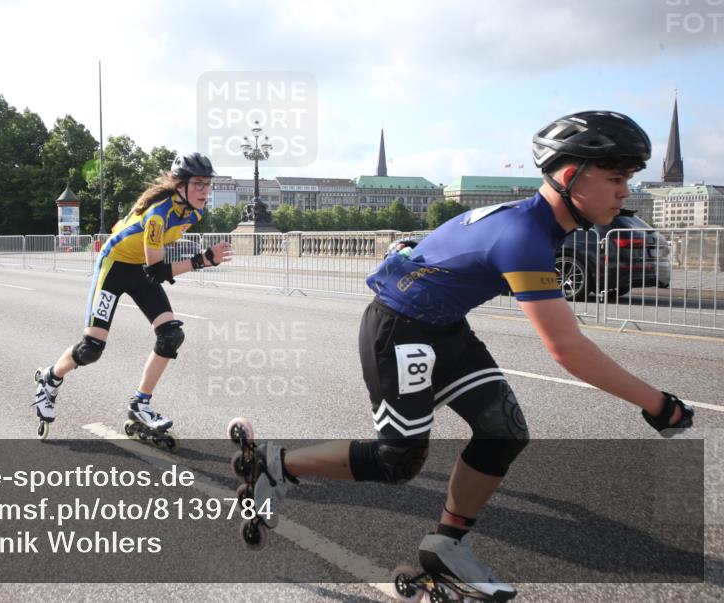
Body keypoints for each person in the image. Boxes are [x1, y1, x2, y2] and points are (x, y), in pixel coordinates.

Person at [242, 111, 694, 600]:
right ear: (570, 176)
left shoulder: (535, 219)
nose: (626, 191)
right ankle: (278, 463)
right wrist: (658, 403)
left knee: (504, 431)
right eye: (616, 178)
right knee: (398, 460)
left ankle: (446, 545)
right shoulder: (524, 234)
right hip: (399, 330)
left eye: (628, 179)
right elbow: (567, 350)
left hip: (443, 326)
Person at [33, 153, 233, 439]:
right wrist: (202, 260)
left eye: (207, 184)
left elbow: (154, 263)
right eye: (198, 184)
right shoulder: (158, 214)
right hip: (114, 266)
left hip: (138, 266)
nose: (205, 190)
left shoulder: (194, 212)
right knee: (91, 349)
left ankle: (141, 404)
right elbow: (159, 271)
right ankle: (49, 378)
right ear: (180, 185)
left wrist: (200, 259)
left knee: (171, 336)